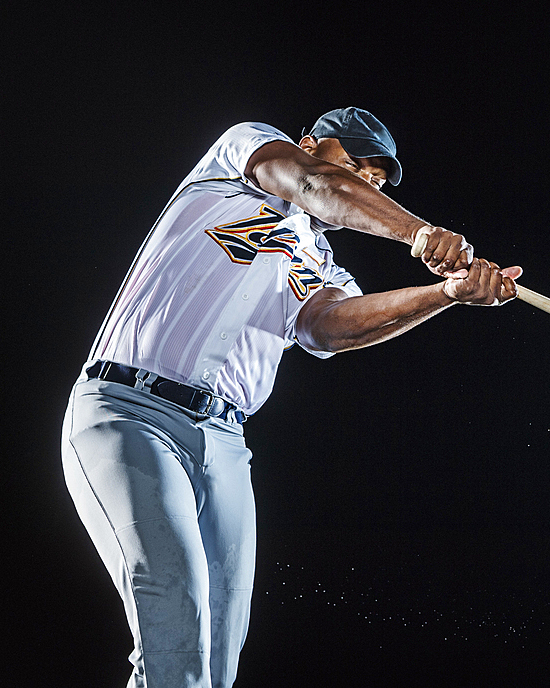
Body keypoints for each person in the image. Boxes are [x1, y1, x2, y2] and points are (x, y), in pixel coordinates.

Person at [61, 107, 521, 688]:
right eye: (356, 164)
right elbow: (313, 184)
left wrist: (446, 292)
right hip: (130, 411)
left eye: (375, 181)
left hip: (224, 445)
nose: (365, 183)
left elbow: (328, 327)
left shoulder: (317, 261)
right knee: (174, 614)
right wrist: (419, 233)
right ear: (310, 142)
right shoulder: (242, 158)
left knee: (217, 657)